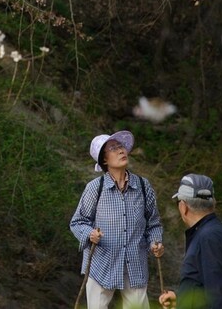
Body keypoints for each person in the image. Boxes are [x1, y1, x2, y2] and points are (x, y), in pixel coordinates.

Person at [70, 130, 164, 309]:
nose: (121, 150)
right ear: (104, 160)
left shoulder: (143, 186)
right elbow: (77, 222)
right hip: (101, 264)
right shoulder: (95, 188)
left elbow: (154, 224)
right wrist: (90, 234)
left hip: (135, 263)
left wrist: (155, 243)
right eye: (113, 148)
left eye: (121, 146)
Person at [159, 174, 222, 309]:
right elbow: (205, 284)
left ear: (183, 207)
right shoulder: (209, 233)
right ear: (213, 203)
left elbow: (218, 296)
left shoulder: (209, 238)